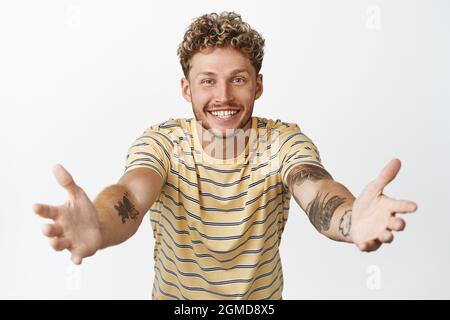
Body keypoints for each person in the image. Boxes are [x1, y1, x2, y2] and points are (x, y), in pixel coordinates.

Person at [33, 11, 418, 300]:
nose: (223, 97)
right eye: (208, 81)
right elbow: (131, 195)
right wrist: (98, 226)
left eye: (238, 79)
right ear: (187, 89)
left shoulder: (283, 141)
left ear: (258, 86)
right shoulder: (162, 142)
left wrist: (351, 220)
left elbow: (315, 189)